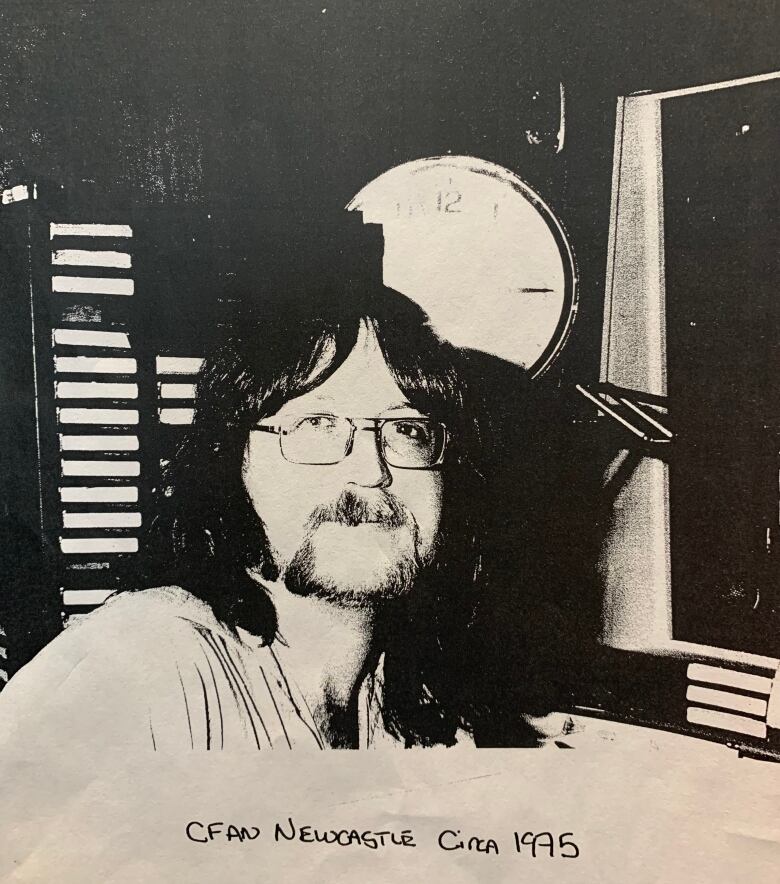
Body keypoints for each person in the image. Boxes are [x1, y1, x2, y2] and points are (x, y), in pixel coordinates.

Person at [0, 220, 489, 751]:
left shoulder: (421, 711)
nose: (372, 469)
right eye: (317, 424)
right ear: (230, 463)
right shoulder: (136, 670)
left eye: (407, 429)